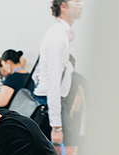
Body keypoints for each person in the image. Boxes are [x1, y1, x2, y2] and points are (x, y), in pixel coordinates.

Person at [31, 0, 83, 144]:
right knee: (68, 148)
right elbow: (53, 82)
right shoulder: (58, 37)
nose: (81, 5)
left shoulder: (58, 33)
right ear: (63, 6)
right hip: (50, 103)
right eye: (77, 2)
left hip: (49, 101)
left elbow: (37, 73)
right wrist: (56, 127)